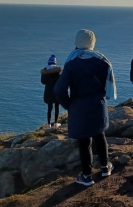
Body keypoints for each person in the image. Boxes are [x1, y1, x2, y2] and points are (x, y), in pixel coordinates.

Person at [54, 29, 117, 186]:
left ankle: (87, 176)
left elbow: (58, 90)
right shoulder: (103, 61)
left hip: (80, 106)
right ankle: (105, 167)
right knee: (100, 136)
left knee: (84, 142)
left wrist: (69, 105)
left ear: (77, 42)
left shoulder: (71, 64)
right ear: (92, 42)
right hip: (99, 105)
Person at [40, 55, 62, 129]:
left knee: (49, 108)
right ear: (55, 63)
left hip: (48, 92)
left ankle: (48, 125)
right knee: (57, 107)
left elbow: (43, 82)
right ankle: (56, 123)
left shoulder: (45, 72)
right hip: (56, 91)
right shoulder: (58, 72)